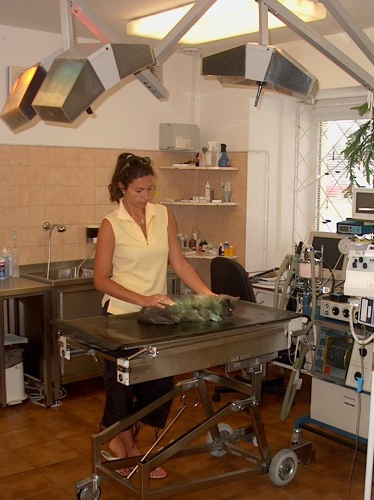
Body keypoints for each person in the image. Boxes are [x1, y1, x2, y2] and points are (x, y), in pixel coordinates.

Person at [93, 152, 213, 479]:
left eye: (150, 189)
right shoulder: (111, 225)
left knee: (159, 383)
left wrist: (207, 294)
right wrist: (142, 299)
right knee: (121, 386)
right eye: (139, 191)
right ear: (121, 187)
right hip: (120, 315)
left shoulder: (163, 215)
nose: (146, 197)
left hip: (155, 316)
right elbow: (101, 279)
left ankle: (121, 437)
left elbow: (179, 262)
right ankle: (126, 446)